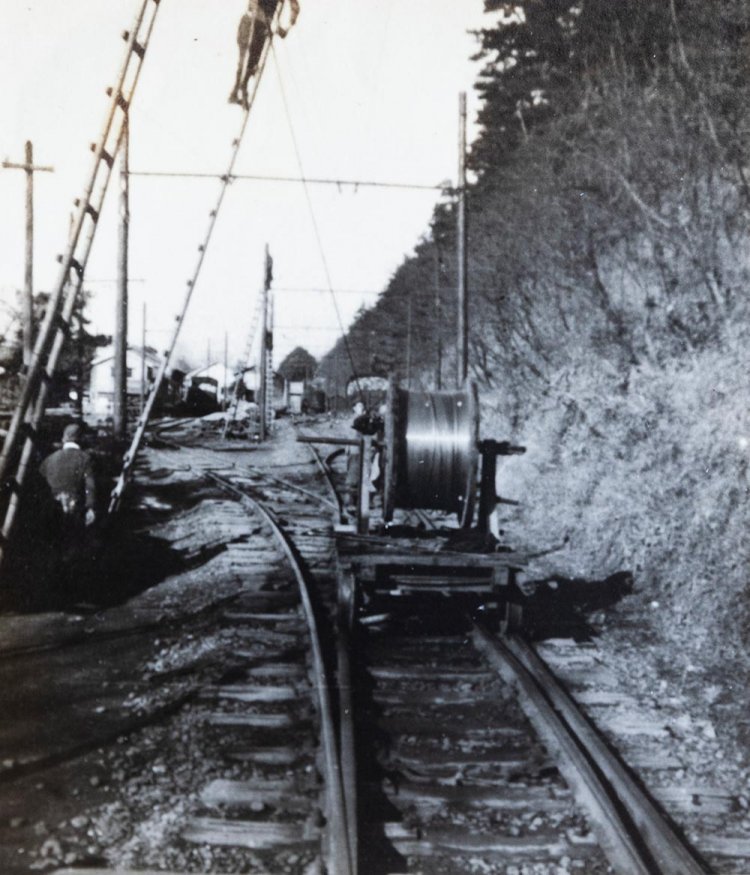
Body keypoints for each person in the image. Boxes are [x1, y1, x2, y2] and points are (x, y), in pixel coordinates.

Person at [230, 0, 300, 108]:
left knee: (251, 61)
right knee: (245, 61)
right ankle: (238, 91)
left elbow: (295, 7)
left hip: (261, 25)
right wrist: (273, 24)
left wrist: (287, 26)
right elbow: (253, 4)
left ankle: (239, 89)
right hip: (250, 22)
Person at [39, 423, 96, 531]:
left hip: (52, 506)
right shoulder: (85, 458)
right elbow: (90, 485)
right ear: (80, 439)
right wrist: (90, 507)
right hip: (75, 507)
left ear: (63, 439)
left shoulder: (49, 459)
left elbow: (40, 481)